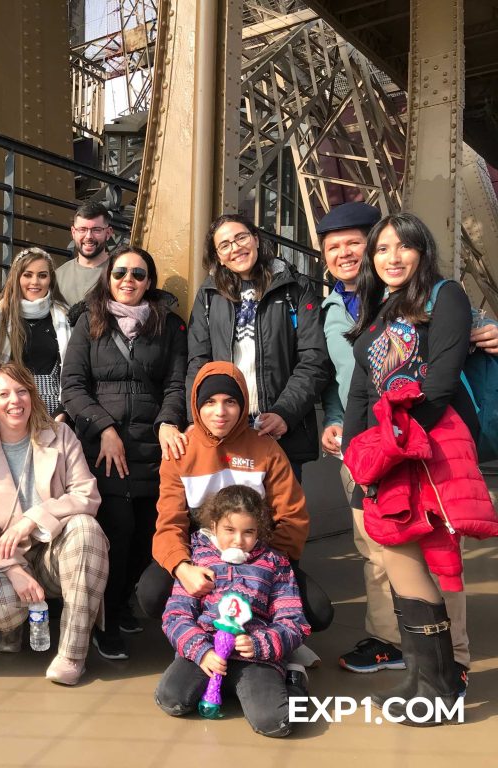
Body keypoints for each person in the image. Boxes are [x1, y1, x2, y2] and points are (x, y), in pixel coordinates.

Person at [317, 202, 494, 676]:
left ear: (422, 250)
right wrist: (360, 456)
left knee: (437, 556)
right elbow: (357, 388)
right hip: (376, 456)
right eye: (383, 248)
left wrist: (393, 446)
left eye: (404, 246)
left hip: (425, 450)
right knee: (388, 552)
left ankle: (450, 667)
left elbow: (441, 381)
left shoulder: (445, 295)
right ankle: (416, 663)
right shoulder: (374, 309)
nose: (391, 257)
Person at [135, 361, 331, 675]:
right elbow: (169, 524)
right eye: (210, 403)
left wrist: (262, 570)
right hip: (203, 556)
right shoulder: (181, 452)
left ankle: (273, 635)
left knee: (319, 612)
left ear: (242, 405)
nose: (220, 412)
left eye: (230, 402)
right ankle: (197, 639)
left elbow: (292, 517)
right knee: (151, 592)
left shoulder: (266, 449)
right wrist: (183, 568)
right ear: (197, 407)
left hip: (258, 553)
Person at [61, 245, 187, 660]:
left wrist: (168, 419)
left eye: (137, 274)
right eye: (120, 274)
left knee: (147, 537)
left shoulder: (168, 326)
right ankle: (108, 617)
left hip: (153, 447)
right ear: (108, 279)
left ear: (149, 281)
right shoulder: (88, 323)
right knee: (117, 533)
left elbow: (176, 382)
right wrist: (104, 427)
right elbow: (74, 387)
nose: (128, 281)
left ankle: (124, 600)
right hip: (106, 452)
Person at [0, 363, 108, 685]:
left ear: (33, 395)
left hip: (56, 552)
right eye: (4, 393)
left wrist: (31, 519)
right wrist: (11, 568)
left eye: (22, 391)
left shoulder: (60, 435)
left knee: (86, 529)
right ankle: (12, 626)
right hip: (8, 558)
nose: (15, 400)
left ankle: (71, 655)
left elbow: (87, 495)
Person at [156, 485, 310, 738]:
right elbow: (176, 615)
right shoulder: (196, 559)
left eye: (248, 532)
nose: (239, 540)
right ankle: (227, 688)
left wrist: (260, 643)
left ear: (259, 529)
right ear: (214, 525)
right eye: (229, 530)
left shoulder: (275, 563)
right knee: (171, 699)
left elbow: (294, 621)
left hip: (254, 657)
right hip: (205, 653)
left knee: (275, 723)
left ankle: (295, 681)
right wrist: (201, 651)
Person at [188, 213, 329, 478]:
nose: (235, 248)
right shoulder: (209, 296)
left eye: (241, 237)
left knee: (283, 515)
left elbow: (314, 358)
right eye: (225, 245)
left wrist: (284, 412)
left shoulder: (294, 288)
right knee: (229, 515)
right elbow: (198, 361)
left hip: (278, 427)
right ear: (218, 256)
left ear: (255, 239)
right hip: (226, 426)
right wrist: (196, 419)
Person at [0, 247, 72, 415]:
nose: (35, 282)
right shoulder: (1, 317)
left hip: (55, 410)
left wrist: (63, 414)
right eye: (27, 275)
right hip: (12, 408)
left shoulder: (65, 316)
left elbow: (75, 373)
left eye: (42, 275)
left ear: (50, 280)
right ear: (17, 278)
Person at [55, 201, 113, 306]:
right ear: (73, 232)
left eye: (96, 230)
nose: (89, 236)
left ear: (108, 233)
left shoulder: (121, 272)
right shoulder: (58, 276)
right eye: (82, 230)